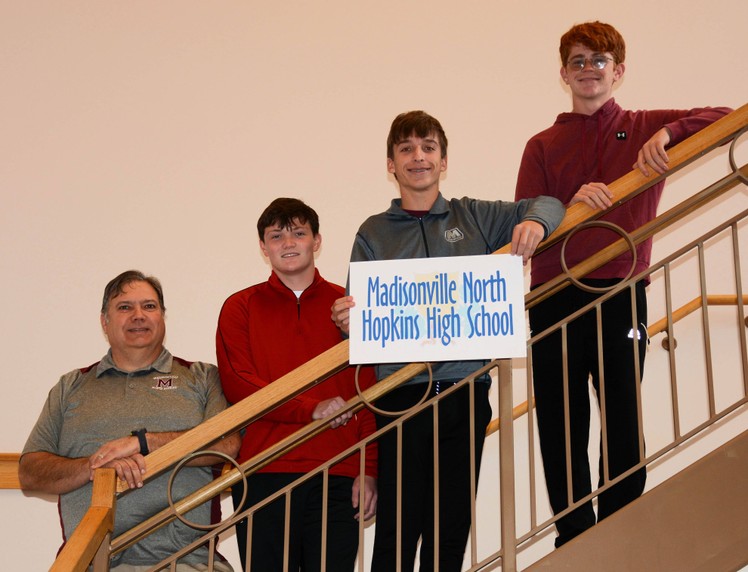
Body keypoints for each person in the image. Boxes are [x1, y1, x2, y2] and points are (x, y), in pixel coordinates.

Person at [514, 21, 733, 548]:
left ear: (620, 70)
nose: (589, 69)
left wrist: (669, 134)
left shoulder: (641, 125)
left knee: (621, 414)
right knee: (561, 422)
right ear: (563, 72)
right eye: (579, 60)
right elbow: (524, 223)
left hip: (620, 290)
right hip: (552, 298)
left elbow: (727, 116)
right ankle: (575, 535)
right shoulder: (541, 144)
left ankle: (620, 526)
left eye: (600, 60)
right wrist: (566, 210)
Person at [331, 110, 565, 572]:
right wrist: (347, 319)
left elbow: (551, 203)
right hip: (400, 396)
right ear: (391, 165)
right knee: (399, 525)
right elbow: (359, 314)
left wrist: (535, 223)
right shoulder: (373, 233)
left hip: (466, 392)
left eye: (428, 147)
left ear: (443, 160)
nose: (418, 156)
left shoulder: (475, 216)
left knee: (451, 523)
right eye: (406, 149)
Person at [18, 270, 241, 571]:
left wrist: (143, 443)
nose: (138, 315)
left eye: (149, 306)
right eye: (124, 307)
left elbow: (227, 444)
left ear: (163, 317)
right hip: (94, 562)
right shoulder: (70, 386)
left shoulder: (202, 377)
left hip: (189, 561)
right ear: (104, 322)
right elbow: (30, 472)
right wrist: (94, 466)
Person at [216, 198, 378, 572]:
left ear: (317, 241)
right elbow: (239, 385)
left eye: (299, 233)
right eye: (276, 236)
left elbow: (368, 393)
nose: (288, 243)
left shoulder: (349, 308)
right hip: (263, 473)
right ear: (263, 247)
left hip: (338, 473)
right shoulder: (239, 306)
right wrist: (311, 409)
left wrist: (369, 470)